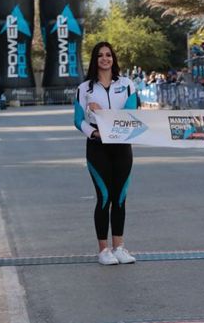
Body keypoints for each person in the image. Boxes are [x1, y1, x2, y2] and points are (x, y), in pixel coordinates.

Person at [74, 42, 140, 266]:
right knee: (104, 197)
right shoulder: (84, 89)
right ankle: (103, 250)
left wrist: (103, 113)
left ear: (113, 58)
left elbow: (130, 114)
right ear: (95, 59)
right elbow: (77, 120)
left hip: (122, 146)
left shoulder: (127, 85)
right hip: (97, 146)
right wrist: (93, 132)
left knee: (120, 198)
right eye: (100, 55)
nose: (105, 59)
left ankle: (119, 247)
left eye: (108, 55)